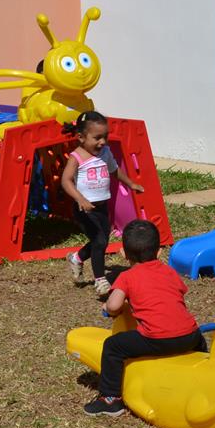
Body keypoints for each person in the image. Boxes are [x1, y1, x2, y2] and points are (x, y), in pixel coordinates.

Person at [84, 220, 207, 417]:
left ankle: (110, 399)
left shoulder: (127, 276)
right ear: (159, 252)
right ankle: (206, 366)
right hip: (191, 336)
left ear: (123, 254)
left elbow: (115, 306)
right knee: (197, 338)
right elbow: (176, 294)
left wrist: (108, 307)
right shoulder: (170, 271)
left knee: (113, 346)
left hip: (157, 339)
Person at [60, 111, 143, 296]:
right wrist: (81, 199)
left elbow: (115, 171)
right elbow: (66, 181)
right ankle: (100, 280)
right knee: (99, 240)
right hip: (84, 208)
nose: (103, 142)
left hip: (102, 207)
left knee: (101, 241)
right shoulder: (77, 157)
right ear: (81, 137)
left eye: (105, 136)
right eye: (97, 138)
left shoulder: (105, 152)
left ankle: (76, 258)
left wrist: (131, 183)